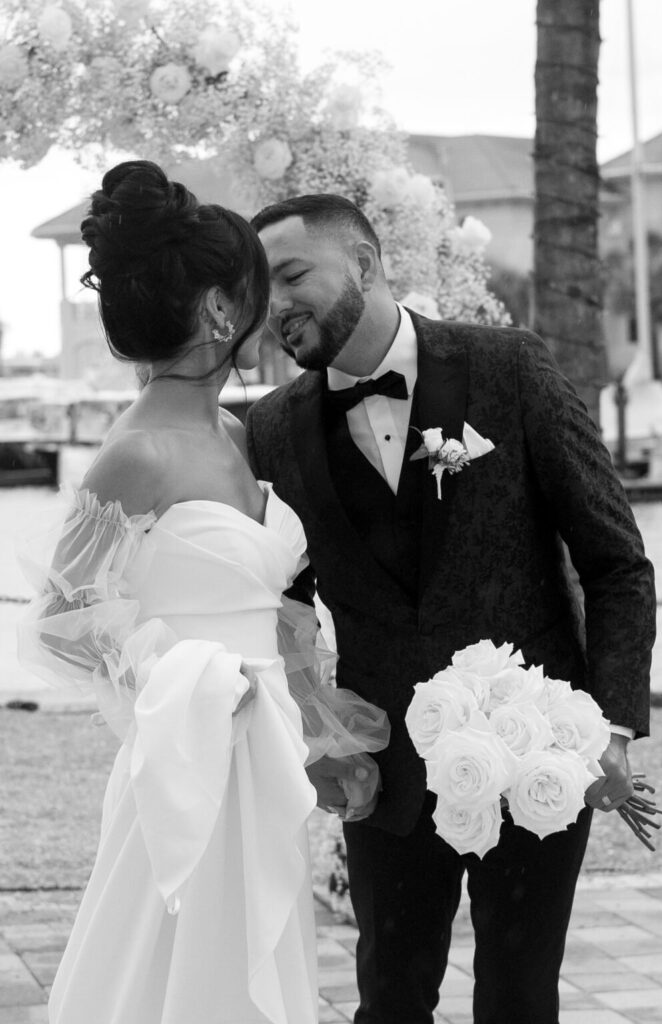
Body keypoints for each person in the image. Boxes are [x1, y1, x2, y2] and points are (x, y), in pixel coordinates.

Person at [246, 194, 657, 1024]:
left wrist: (608, 728)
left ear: (362, 264)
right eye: (262, 288)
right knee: (388, 998)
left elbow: (616, 563)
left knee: (517, 999)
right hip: (382, 772)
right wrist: (320, 726)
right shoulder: (271, 427)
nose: (275, 304)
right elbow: (276, 599)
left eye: (292, 275)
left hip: (534, 753)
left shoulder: (509, 367)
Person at [17, 165, 389, 1024]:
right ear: (222, 310)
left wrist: (310, 716)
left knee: (254, 961)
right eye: (259, 290)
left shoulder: (230, 432)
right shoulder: (135, 455)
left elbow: (271, 606)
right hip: (187, 755)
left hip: (261, 756)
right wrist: (191, 680)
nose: (270, 311)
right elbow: (68, 620)